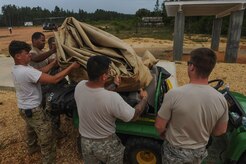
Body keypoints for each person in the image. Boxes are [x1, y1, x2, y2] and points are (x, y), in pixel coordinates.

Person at [9, 40, 80, 164]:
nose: (30, 55)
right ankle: (49, 161)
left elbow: (40, 71)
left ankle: (32, 148)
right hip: (33, 109)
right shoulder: (26, 71)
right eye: (26, 53)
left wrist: (54, 63)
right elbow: (54, 79)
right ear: (18, 56)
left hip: (24, 108)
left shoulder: (19, 68)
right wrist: (71, 67)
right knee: (47, 138)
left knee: (31, 127)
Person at [155, 47, 229, 164]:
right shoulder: (221, 99)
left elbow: (159, 125)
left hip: (174, 151)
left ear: (192, 67)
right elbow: (221, 130)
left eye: (188, 63)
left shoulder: (174, 94)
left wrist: (164, 134)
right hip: (199, 152)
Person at [74, 55, 148, 164]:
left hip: (85, 142)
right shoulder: (113, 98)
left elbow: (97, 95)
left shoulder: (79, 86)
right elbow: (134, 115)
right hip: (106, 144)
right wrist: (144, 99)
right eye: (108, 72)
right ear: (104, 76)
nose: (110, 73)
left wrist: (114, 85)